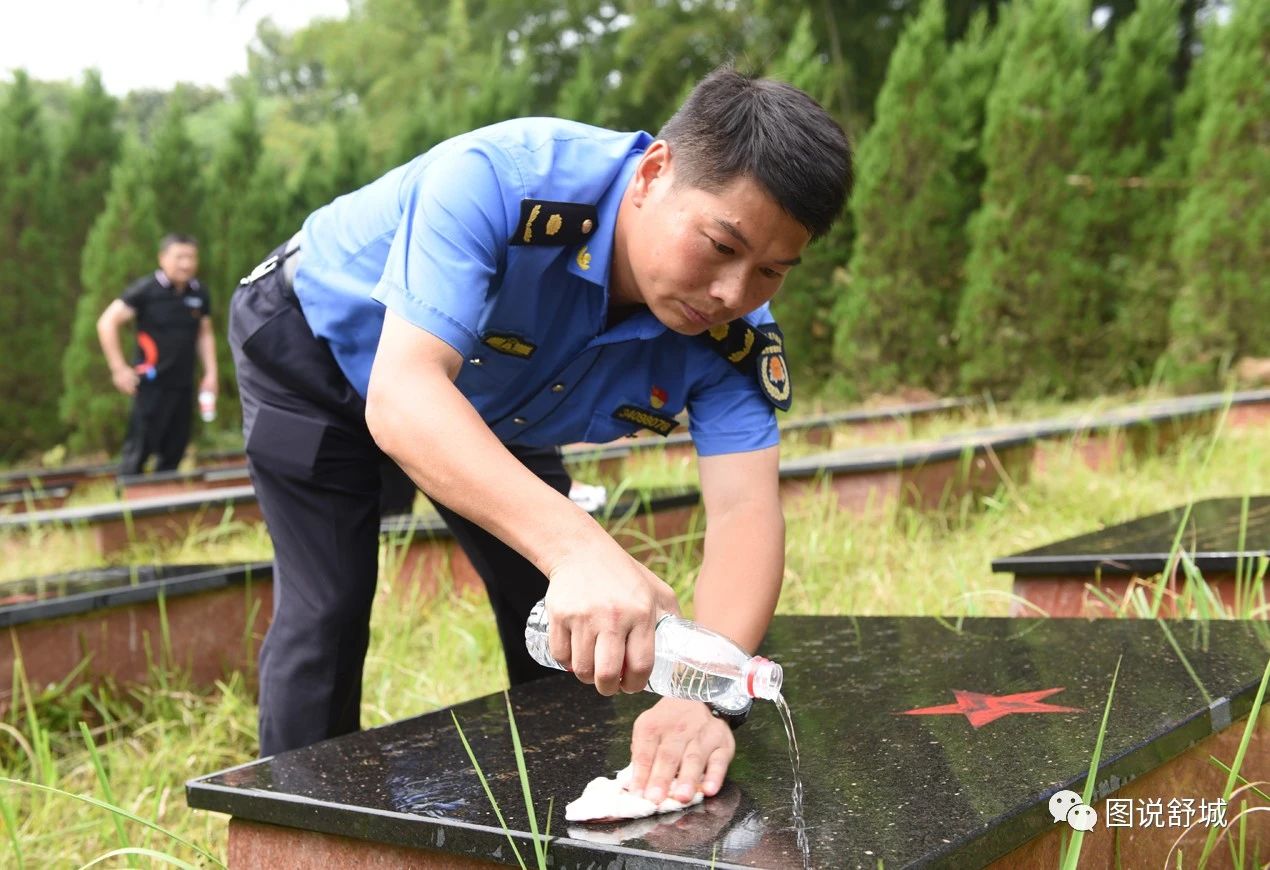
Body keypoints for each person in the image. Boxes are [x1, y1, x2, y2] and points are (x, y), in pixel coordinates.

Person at [229, 68, 851, 805]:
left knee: (572, 621)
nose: (731, 295)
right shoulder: (501, 182)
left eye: (771, 272)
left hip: (498, 402)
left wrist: (703, 695)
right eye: (720, 246)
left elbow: (746, 513)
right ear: (656, 172)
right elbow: (405, 394)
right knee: (329, 605)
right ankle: (297, 833)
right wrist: (581, 547)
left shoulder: (734, 338)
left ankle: (559, 818)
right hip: (321, 350)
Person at [97, 233, 217, 475]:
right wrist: (118, 369)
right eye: (179, 257)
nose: (186, 263)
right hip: (150, 383)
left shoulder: (198, 293)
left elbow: (204, 333)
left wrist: (211, 373)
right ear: (162, 258)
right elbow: (107, 322)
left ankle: (166, 502)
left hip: (183, 382)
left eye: (191, 257)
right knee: (139, 447)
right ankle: (128, 500)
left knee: (175, 448)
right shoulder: (145, 290)